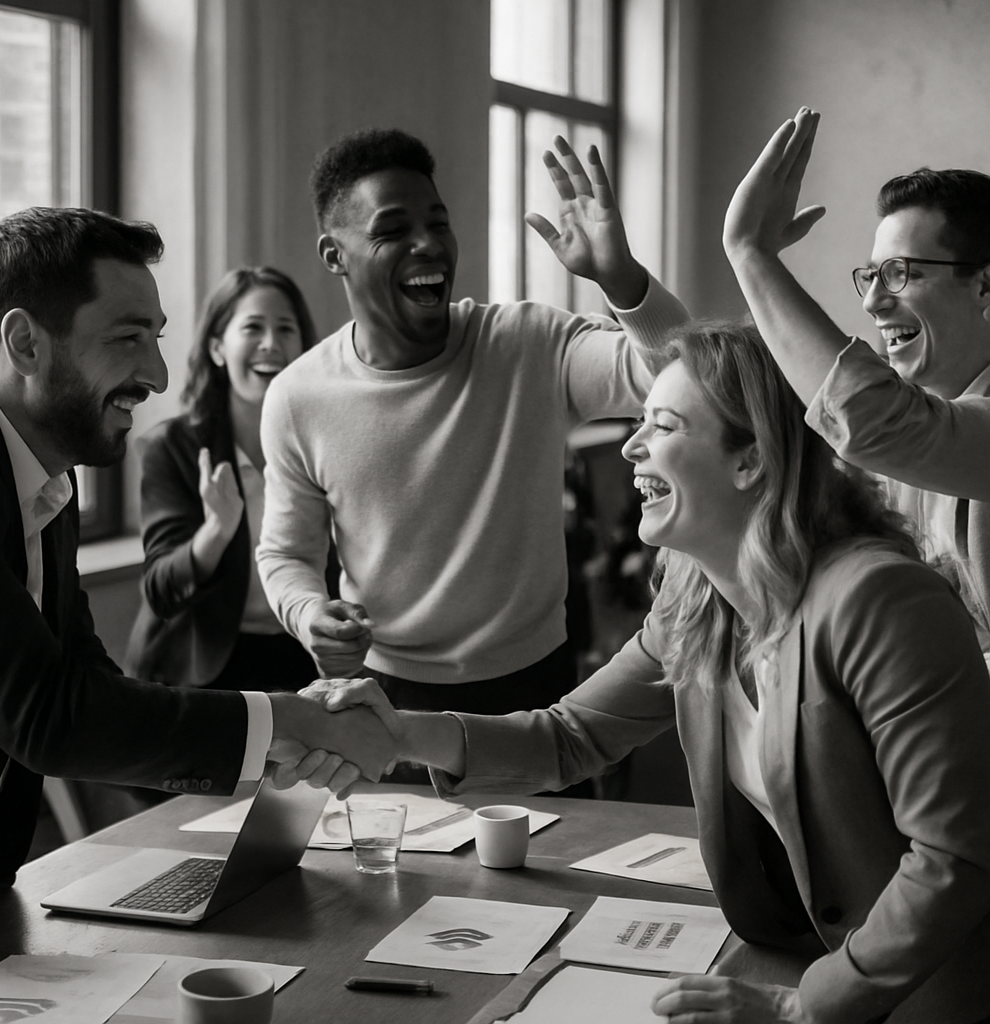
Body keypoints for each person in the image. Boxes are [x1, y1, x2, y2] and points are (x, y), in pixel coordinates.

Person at [305, 321, 990, 1024]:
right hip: (802, 958)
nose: (630, 446)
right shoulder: (696, 597)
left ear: (750, 460)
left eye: (660, 426)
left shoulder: (879, 599)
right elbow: (567, 738)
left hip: (928, 995)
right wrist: (395, 734)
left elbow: (954, 858)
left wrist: (800, 1009)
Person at [0, 207, 394, 897]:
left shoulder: (49, 471)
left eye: (157, 338)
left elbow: (82, 674)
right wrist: (284, 720)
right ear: (25, 344)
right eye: (129, 337)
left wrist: (273, 732)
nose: (158, 375)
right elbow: (48, 716)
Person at [256, 127, 688, 735]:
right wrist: (309, 614)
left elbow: (680, 375)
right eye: (392, 231)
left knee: (563, 837)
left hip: (537, 690)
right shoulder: (299, 397)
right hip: (386, 698)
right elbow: (285, 553)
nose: (428, 244)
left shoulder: (528, 343)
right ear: (335, 256)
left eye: (438, 223)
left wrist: (621, 278)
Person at [722, 106, 990, 652]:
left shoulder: (910, 427)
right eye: (871, 275)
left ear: (985, 287)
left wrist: (750, 253)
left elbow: (870, 421)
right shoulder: (912, 430)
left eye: (900, 273)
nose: (872, 302)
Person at [126, 266, 332, 692]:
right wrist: (216, 531)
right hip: (205, 665)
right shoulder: (171, 448)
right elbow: (161, 590)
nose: (271, 345)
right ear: (218, 348)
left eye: (286, 329)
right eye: (253, 327)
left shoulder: (328, 441)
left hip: (307, 654)